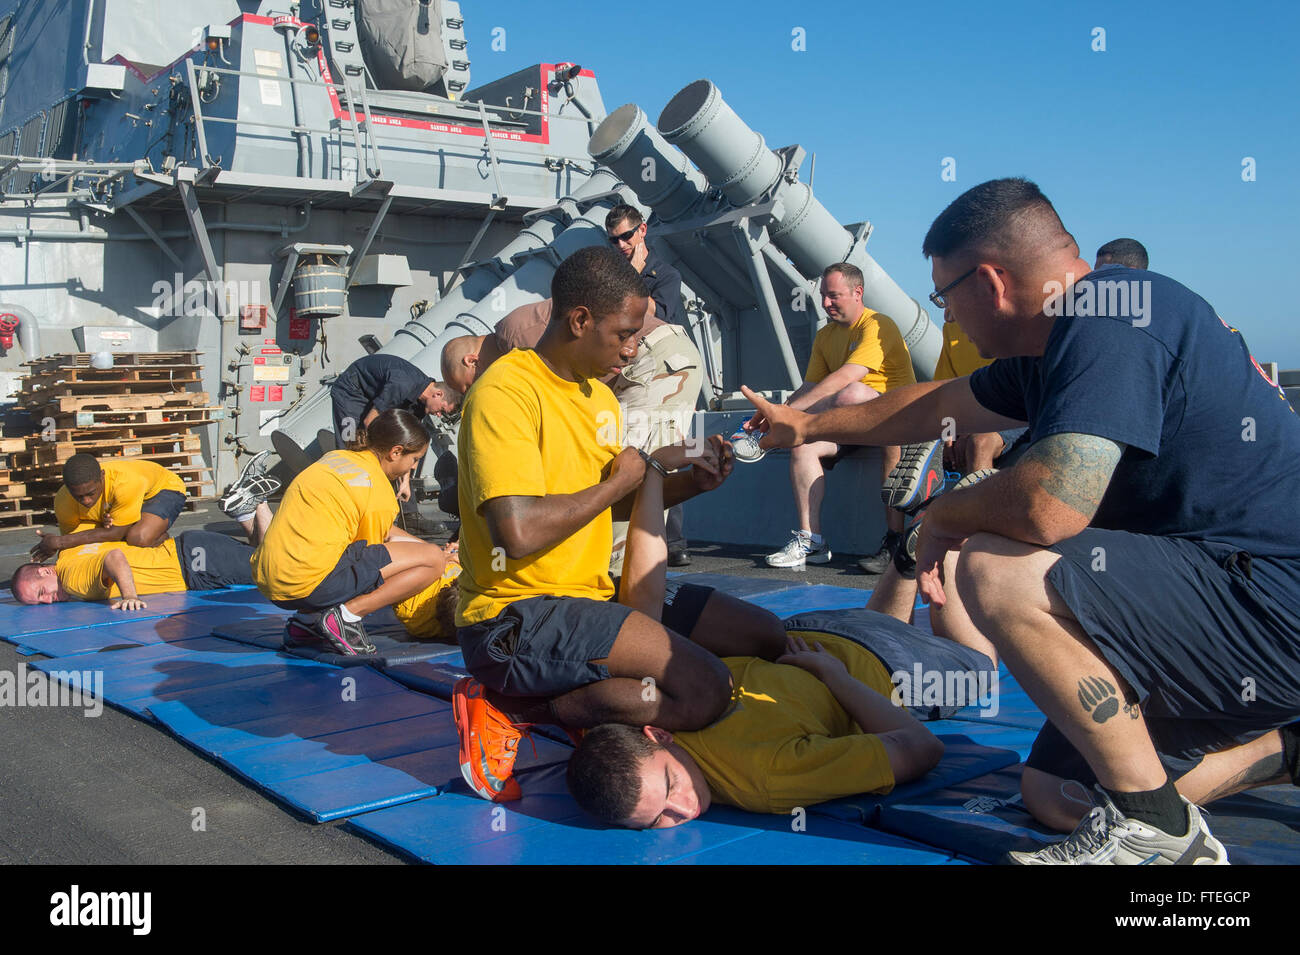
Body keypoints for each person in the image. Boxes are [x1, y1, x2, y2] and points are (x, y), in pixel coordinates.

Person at [743, 177, 1300, 864]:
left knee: (998, 568)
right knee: (1053, 790)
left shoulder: (1109, 315)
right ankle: (1284, 750)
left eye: (944, 295)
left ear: (991, 282)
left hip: (1270, 602)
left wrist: (942, 518)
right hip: (1212, 608)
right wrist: (805, 424)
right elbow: (934, 403)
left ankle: (1159, 834)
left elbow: (1051, 503)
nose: (945, 315)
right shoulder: (1050, 349)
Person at [451, 245, 785, 803]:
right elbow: (520, 532)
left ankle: (598, 696)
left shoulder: (600, 399)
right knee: (703, 689)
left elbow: (610, 505)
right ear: (579, 320)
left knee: (764, 636)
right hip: (510, 620)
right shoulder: (504, 392)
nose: (633, 351)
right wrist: (617, 481)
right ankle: (510, 708)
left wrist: (690, 484)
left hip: (591, 596)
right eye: (626, 334)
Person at [564, 430, 948, 828]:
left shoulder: (765, 776)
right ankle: (919, 544)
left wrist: (657, 469)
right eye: (658, 819)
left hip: (828, 644)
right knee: (964, 658)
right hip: (853, 656)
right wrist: (835, 678)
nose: (683, 809)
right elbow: (919, 746)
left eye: (670, 785)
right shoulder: (650, 731)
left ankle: (925, 542)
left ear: (657, 736)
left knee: (981, 663)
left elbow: (924, 748)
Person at [747, 263, 914, 571]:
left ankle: (895, 540)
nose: (825, 303)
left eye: (833, 296)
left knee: (852, 393)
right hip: (851, 425)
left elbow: (846, 378)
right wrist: (768, 416)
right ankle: (812, 541)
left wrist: (788, 416)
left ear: (857, 293)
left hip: (893, 420)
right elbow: (811, 387)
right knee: (803, 446)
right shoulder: (826, 336)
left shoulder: (878, 325)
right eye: (823, 295)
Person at [251, 408, 446, 656]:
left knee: (427, 554)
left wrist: (425, 548)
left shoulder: (335, 459)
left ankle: (307, 623)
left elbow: (385, 534)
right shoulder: (378, 490)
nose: (413, 467)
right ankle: (346, 617)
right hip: (306, 586)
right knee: (434, 563)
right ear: (396, 451)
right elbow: (376, 553)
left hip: (271, 581)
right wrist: (437, 555)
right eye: (415, 459)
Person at [10, 511, 270, 609]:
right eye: (39, 602)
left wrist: (130, 595)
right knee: (263, 557)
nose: (47, 601)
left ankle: (254, 508)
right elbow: (100, 528)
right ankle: (249, 510)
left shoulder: (73, 581)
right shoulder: (69, 551)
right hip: (192, 548)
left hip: (197, 564)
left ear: (45, 572)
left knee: (275, 569)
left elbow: (114, 557)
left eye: (42, 593)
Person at [31, 455, 188, 561]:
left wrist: (58, 542)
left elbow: (114, 533)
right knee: (110, 537)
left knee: (138, 537)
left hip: (162, 490)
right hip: (126, 502)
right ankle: (136, 525)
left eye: (91, 493)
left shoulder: (125, 483)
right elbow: (74, 539)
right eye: (78, 496)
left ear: (102, 476)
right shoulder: (63, 501)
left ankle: (162, 541)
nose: (86, 501)